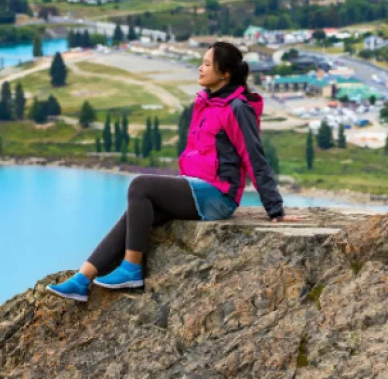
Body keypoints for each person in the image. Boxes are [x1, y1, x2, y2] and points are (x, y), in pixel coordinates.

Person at [47, 41, 302, 302]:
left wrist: (275, 209)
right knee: (136, 213)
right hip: (196, 187)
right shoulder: (208, 102)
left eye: (206, 63)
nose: (200, 68)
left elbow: (254, 157)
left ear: (224, 73)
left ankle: (131, 268)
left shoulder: (237, 108)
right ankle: (82, 279)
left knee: (140, 185)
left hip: (218, 195)